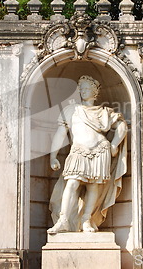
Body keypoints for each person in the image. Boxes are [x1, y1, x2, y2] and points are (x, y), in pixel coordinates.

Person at [47, 75, 127, 233]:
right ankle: (63, 220)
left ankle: (86, 220)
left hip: (100, 150)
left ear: (95, 92)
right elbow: (60, 134)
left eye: (86, 88)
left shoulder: (104, 112)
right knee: (71, 183)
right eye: (81, 88)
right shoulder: (71, 109)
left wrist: (113, 144)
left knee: (93, 186)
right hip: (78, 150)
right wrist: (52, 156)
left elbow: (122, 126)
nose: (83, 91)